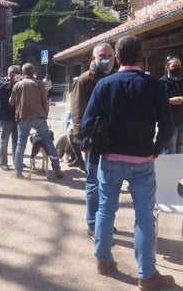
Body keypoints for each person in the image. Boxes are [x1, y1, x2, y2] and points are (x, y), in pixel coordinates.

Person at [80, 36, 174, 290]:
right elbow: (167, 126)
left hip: (109, 159)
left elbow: (86, 123)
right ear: (140, 56)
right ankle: (146, 275)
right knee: (144, 217)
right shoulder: (155, 86)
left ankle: (103, 260)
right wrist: (155, 150)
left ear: (118, 58)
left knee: (105, 210)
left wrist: (91, 147)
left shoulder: (104, 85)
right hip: (143, 160)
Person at [70, 42, 117, 240]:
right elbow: (77, 112)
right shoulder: (84, 81)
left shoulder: (117, 77)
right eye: (102, 56)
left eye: (110, 55)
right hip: (94, 141)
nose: (106, 59)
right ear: (93, 58)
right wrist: (85, 140)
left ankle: (106, 221)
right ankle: (93, 224)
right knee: (94, 184)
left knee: (111, 185)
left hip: (115, 141)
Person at [10, 62, 63, 179]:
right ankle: (57, 170)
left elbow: (11, 102)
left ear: (22, 73)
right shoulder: (39, 84)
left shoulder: (18, 85)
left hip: (23, 118)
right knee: (49, 143)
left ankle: (18, 171)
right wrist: (45, 114)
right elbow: (45, 101)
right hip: (39, 117)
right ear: (33, 72)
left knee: (20, 145)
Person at [0, 65, 20, 171]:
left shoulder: (20, 84)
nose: (17, 74)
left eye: (18, 72)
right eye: (14, 72)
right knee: (5, 141)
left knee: (16, 141)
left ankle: (17, 161)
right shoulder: (2, 83)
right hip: (5, 117)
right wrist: (5, 85)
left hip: (17, 116)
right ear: (9, 74)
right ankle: (3, 162)